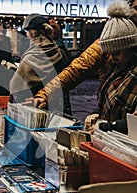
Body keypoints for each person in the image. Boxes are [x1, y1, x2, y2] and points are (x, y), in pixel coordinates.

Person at [34, 0, 137, 133]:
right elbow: (77, 69)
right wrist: (46, 94)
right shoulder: (115, 38)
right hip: (111, 126)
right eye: (135, 7)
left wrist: (109, 126)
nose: (113, 58)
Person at [85, 0, 137, 133]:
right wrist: (96, 113)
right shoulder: (117, 71)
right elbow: (108, 103)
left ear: (131, 48)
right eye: (110, 54)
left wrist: (106, 127)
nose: (113, 59)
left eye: (117, 53)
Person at [9, 14, 69, 112]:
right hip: (52, 100)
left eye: (27, 31)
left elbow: (16, 85)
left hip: (31, 102)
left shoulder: (32, 55)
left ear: (33, 33)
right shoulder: (58, 52)